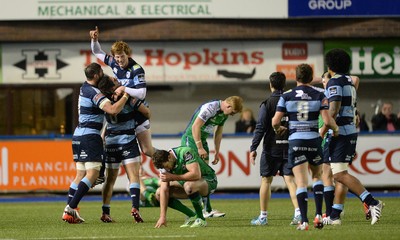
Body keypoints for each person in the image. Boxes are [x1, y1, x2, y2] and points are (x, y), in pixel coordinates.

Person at [272, 63, 340, 231]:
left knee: (301, 181)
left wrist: (278, 129)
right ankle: (318, 215)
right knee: (317, 175)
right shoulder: (320, 94)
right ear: (311, 78)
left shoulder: (286, 96)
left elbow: (275, 121)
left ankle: (304, 221)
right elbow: (327, 120)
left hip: (295, 141)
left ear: (296, 78)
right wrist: (336, 129)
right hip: (313, 139)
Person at [62, 63, 130, 224]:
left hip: (78, 135)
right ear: (96, 75)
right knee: (92, 174)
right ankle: (71, 208)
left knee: (80, 175)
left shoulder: (84, 87)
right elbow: (113, 110)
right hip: (89, 136)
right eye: (101, 72)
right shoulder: (94, 93)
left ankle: (69, 211)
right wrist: (125, 95)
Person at [322, 48, 384, 226]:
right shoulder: (348, 81)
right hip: (349, 130)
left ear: (330, 65)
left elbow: (333, 109)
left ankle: (372, 202)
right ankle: (334, 215)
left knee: (340, 174)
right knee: (338, 173)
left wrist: (325, 129)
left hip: (339, 131)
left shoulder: (334, 82)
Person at [90, 26, 156, 158]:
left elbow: (142, 93)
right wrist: (95, 39)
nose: (119, 60)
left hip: (138, 113)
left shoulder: (136, 70)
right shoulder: (114, 63)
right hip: (124, 113)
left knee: (147, 150)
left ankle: (171, 162)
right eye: (117, 57)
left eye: (122, 57)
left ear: (128, 54)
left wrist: (124, 89)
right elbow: (97, 52)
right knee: (105, 140)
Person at [249, 72, 300, 226]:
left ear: (270, 85)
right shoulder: (291, 101)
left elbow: (261, 127)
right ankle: (298, 213)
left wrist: (253, 147)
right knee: (291, 180)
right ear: (284, 85)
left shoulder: (267, 103)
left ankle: (263, 217)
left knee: (266, 180)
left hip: (271, 149)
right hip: (289, 146)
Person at [181, 96, 243, 218]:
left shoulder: (224, 114)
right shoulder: (210, 107)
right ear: (228, 106)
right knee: (195, 175)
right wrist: (199, 147)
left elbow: (218, 132)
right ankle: (201, 210)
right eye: (233, 113)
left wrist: (217, 151)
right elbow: (195, 126)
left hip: (202, 141)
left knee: (204, 176)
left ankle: (206, 209)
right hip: (191, 139)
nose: (232, 115)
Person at [96, 75, 147, 223]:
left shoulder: (104, 101)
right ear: (112, 87)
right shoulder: (127, 97)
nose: (117, 79)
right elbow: (147, 112)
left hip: (111, 142)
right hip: (128, 141)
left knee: (110, 179)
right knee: (134, 176)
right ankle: (135, 208)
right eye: (115, 80)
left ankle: (105, 211)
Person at [152, 146, 218, 228]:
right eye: (163, 168)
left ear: (169, 157)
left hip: (208, 181)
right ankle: (192, 215)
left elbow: (196, 175)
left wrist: (173, 177)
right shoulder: (164, 166)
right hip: (189, 184)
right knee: (159, 193)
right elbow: (164, 190)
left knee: (189, 186)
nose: (166, 169)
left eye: (167, 166)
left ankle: (201, 219)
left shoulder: (185, 152)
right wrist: (162, 217)